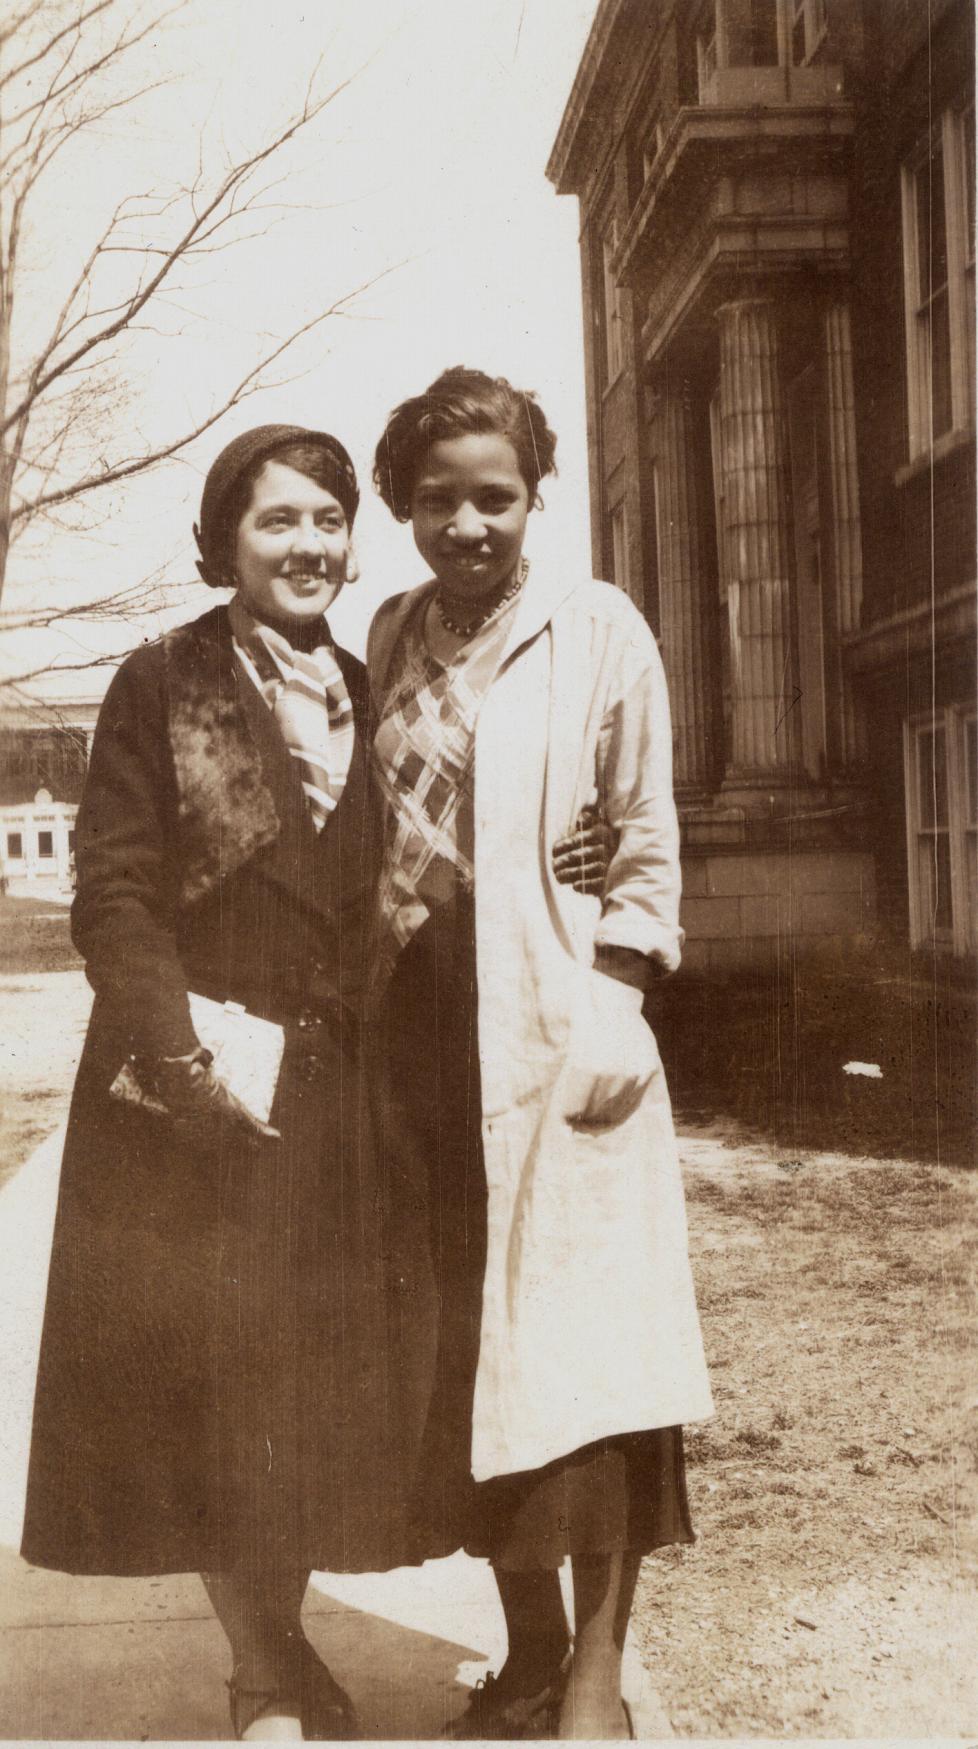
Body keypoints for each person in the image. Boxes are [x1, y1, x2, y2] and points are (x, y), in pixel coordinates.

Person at [21, 421, 606, 1743]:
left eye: (328, 520)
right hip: (191, 1093)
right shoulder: (161, 683)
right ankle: (264, 1670)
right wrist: (177, 1057)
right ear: (226, 540)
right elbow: (112, 894)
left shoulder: (373, 681)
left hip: (337, 1098)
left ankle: (286, 1642)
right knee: (215, 1395)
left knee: (298, 1394)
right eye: (277, 520)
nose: (308, 546)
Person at [369, 369, 714, 1741]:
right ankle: (524, 1656)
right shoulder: (389, 629)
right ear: (402, 504)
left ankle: (591, 1685)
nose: (467, 522)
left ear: (534, 496)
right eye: (439, 496)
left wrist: (618, 995)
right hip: (419, 1047)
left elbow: (639, 829)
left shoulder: (598, 628)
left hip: (562, 1031)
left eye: (493, 495)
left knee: (591, 1366)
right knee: (471, 1367)